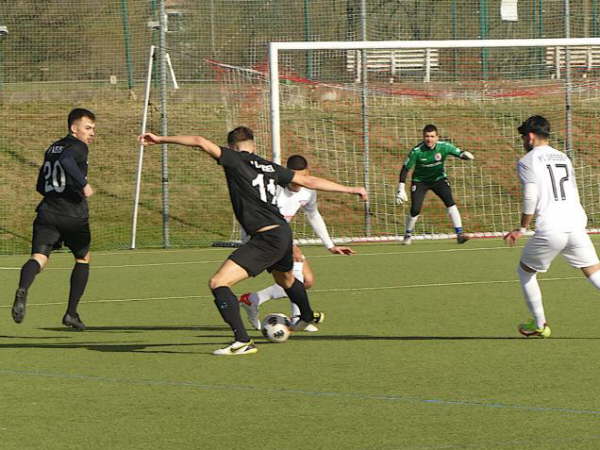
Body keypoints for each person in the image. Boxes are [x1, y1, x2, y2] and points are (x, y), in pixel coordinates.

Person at [139, 127, 367, 355]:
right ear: (254, 145)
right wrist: (351, 189)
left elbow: (199, 140)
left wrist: (160, 139)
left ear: (230, 147)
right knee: (286, 279)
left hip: (266, 237)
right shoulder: (268, 166)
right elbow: (311, 182)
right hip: (282, 232)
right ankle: (306, 317)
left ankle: (242, 341)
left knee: (218, 283)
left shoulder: (233, 159)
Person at [504, 115, 600, 338]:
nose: (522, 141)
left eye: (522, 136)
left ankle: (540, 324)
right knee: (594, 272)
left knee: (525, 272)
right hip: (576, 224)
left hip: (551, 227)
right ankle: (538, 324)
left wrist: (522, 228)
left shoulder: (528, 160)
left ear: (530, 136)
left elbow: (530, 196)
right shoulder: (563, 157)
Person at [238, 154, 354, 332]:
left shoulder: (309, 191)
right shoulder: (274, 189)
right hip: (259, 235)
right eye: (295, 178)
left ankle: (253, 299)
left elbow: (313, 215)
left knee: (307, 281)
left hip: (280, 236)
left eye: (303, 178)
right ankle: (298, 318)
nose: (299, 182)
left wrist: (330, 245)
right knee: (297, 258)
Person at [12, 108, 96, 331]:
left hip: (47, 212)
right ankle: (71, 313)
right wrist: (83, 184)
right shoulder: (78, 147)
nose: (92, 133)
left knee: (39, 258)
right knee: (83, 258)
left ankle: (23, 288)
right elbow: (68, 162)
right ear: (73, 128)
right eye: (88, 128)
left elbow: (40, 184)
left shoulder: (52, 148)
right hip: (73, 214)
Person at [396, 124, 474, 245]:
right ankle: (408, 234)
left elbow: (458, 152)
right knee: (415, 209)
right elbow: (405, 169)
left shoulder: (444, 147)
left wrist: (465, 155)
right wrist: (401, 189)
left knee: (450, 202)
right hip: (420, 181)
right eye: (427, 136)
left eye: (432, 136)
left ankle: (459, 234)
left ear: (437, 137)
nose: (429, 139)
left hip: (439, 179)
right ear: (423, 137)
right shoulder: (417, 151)